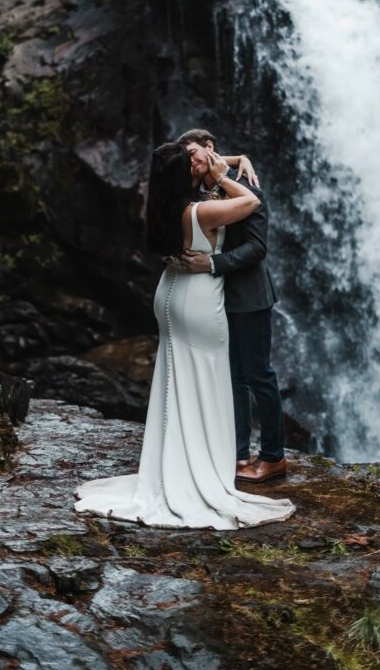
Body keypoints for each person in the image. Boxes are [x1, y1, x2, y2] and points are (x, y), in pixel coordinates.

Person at [73, 141, 295, 529]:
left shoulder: (164, 200)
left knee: (185, 382)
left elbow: (257, 245)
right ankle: (211, 463)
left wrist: (238, 159)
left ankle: (227, 457)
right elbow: (251, 205)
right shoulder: (201, 209)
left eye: (202, 150)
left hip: (171, 294)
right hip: (198, 300)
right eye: (193, 158)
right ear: (189, 171)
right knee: (212, 380)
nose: (201, 159)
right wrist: (225, 175)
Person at [176, 129, 288, 484]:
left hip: (250, 298)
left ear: (210, 148)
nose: (190, 163)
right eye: (186, 158)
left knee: (259, 375)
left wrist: (210, 265)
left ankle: (274, 457)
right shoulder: (201, 190)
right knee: (233, 379)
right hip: (218, 299)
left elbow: (257, 248)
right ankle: (238, 453)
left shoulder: (246, 185)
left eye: (194, 154)